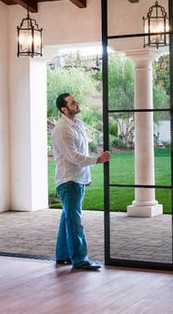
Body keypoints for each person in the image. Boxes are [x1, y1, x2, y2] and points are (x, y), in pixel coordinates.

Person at [52, 93, 110, 271]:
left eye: (75, 100)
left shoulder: (78, 124)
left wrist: (86, 177)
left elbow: (82, 149)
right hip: (68, 180)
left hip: (77, 179)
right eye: (72, 102)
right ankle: (80, 260)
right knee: (74, 221)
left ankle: (62, 256)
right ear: (64, 109)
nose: (76, 103)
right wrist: (97, 160)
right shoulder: (62, 129)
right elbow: (73, 156)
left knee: (68, 218)